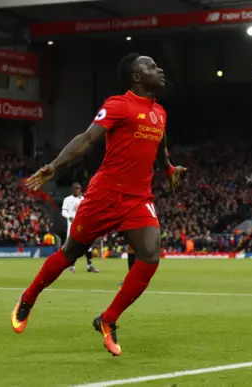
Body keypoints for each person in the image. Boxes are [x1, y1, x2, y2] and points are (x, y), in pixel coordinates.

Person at [11, 53, 186, 357]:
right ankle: (29, 296)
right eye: (151, 66)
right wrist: (55, 165)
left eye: (158, 65)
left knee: (150, 255)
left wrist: (169, 169)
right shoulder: (118, 104)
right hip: (105, 194)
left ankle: (107, 319)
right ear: (136, 77)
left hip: (138, 199)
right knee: (70, 254)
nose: (158, 70)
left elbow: (160, 144)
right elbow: (87, 138)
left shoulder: (160, 112)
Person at [61, 182, 99, 273]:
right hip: (71, 227)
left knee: (87, 246)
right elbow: (63, 212)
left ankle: (89, 266)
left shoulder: (83, 199)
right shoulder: (67, 199)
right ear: (73, 189)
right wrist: (69, 217)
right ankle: (72, 267)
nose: (79, 191)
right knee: (71, 247)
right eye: (77, 189)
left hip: (83, 226)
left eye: (79, 189)